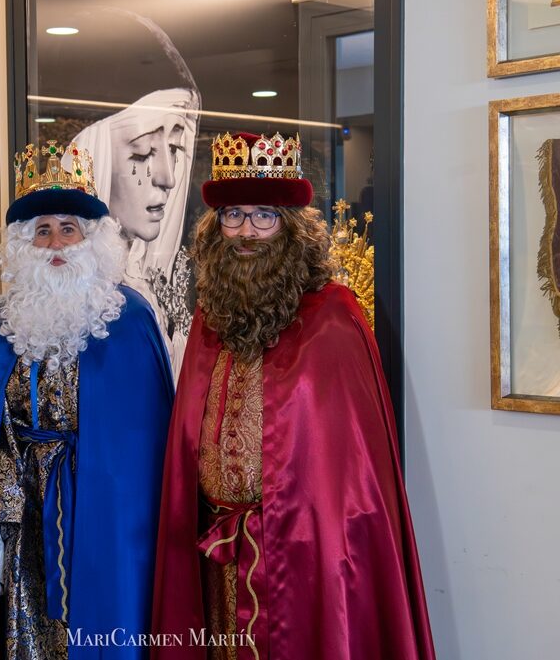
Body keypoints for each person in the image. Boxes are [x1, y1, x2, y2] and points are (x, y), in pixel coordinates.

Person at [152, 132, 436, 659]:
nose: (247, 232)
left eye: (264, 215)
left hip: (302, 556)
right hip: (214, 555)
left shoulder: (333, 318)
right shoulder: (210, 318)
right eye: (233, 215)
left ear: (292, 226)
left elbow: (351, 481)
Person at [0, 141, 174, 660]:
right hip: (25, 513)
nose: (55, 243)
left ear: (91, 239)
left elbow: (147, 445)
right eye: (42, 230)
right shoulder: (1, 324)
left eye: (68, 229)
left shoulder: (130, 319)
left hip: (108, 514)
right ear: (23, 244)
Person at [58, 9, 202, 381]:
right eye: (142, 153)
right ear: (93, 156)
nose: (168, 178)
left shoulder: (172, 286)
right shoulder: (60, 296)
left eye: (175, 149)